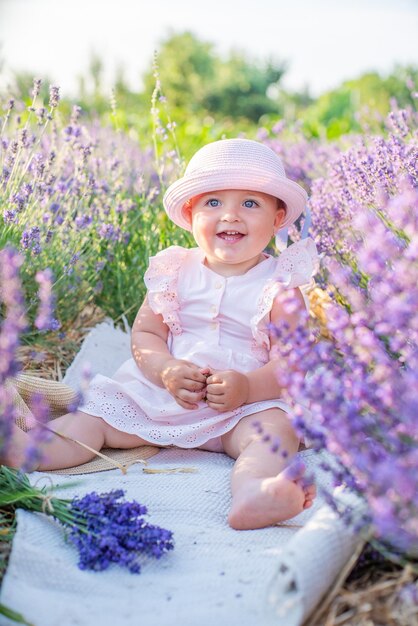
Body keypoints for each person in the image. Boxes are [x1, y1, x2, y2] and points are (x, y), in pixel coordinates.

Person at [6, 138, 319, 530]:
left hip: (239, 410)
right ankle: (31, 447)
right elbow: (146, 337)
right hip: (158, 395)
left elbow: (294, 362)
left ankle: (254, 492)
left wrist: (248, 388)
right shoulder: (174, 270)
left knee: (275, 433)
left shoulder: (281, 285)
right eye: (214, 202)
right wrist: (166, 370)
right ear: (190, 213)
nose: (231, 216)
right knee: (96, 415)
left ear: (277, 219)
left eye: (250, 203)